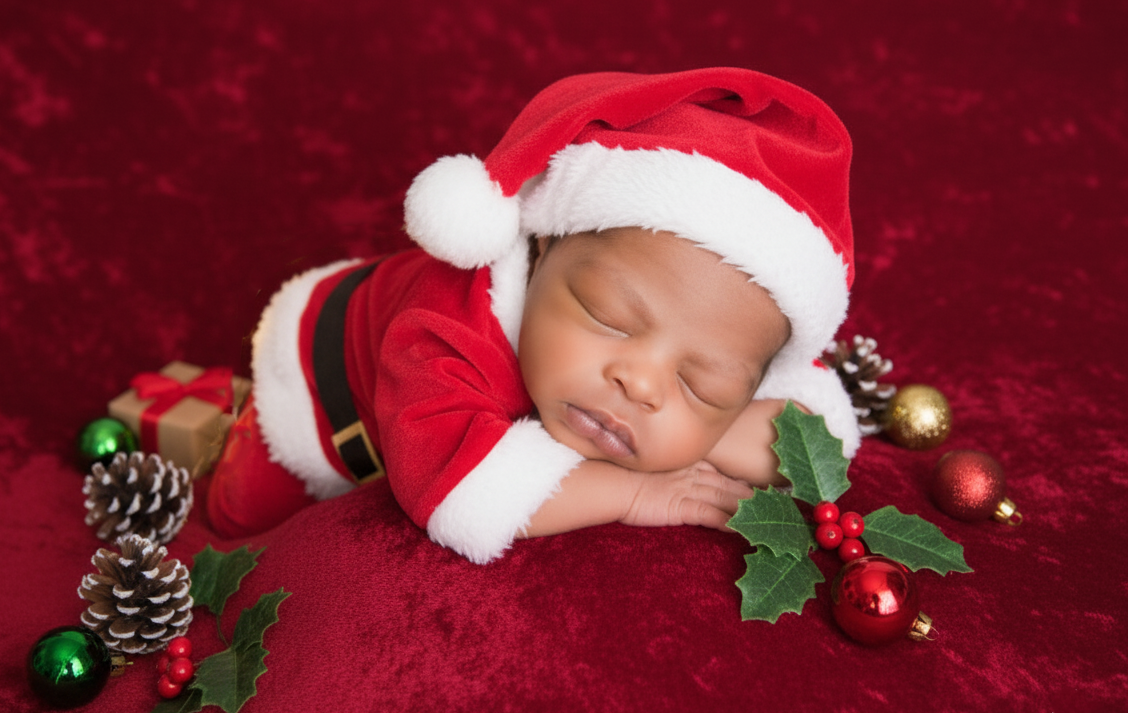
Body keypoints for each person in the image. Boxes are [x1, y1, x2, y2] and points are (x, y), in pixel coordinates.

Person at [208, 67, 862, 563]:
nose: (640, 383)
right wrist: (637, 490)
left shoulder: (711, 355)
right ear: (545, 244)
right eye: (609, 316)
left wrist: (691, 430)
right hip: (316, 385)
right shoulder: (444, 326)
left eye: (703, 384)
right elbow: (452, 488)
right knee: (240, 516)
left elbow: (807, 435)